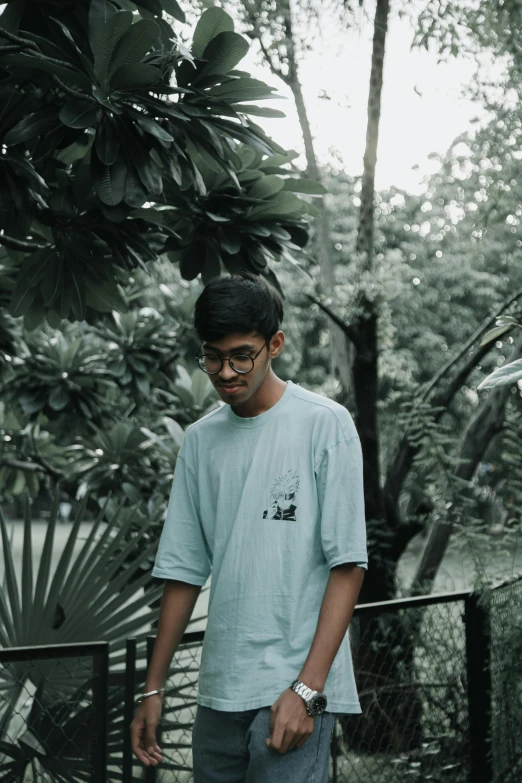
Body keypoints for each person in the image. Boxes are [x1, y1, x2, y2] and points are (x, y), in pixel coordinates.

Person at [130, 272, 368, 782]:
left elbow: (347, 565)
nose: (226, 371)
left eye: (241, 355)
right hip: (217, 696)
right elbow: (183, 571)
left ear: (275, 344)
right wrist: (153, 687)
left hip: (294, 696)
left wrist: (307, 691)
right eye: (212, 356)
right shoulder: (199, 441)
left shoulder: (324, 424)